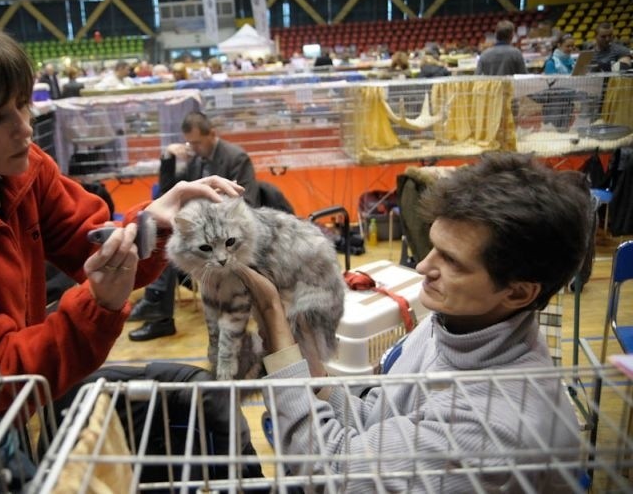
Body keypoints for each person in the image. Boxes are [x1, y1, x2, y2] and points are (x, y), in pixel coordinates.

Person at [0, 19, 245, 411]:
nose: (25, 128)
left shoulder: (22, 168)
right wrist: (98, 303)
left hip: (8, 397)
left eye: (22, 104)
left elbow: (92, 241)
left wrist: (155, 224)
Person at [236, 152, 593, 491]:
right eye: (433, 245)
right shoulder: (457, 322)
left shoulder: (496, 423)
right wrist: (312, 372)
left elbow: (335, 477)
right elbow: (381, 417)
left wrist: (276, 334)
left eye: (452, 261)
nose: (423, 266)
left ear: (517, 293)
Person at [128, 111, 259, 341]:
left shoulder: (236, 157)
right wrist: (168, 158)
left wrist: (214, 210)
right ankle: (159, 311)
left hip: (227, 232)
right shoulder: (195, 159)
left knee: (177, 241)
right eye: (190, 142)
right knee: (170, 237)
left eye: (197, 142)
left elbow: (248, 204)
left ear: (213, 135)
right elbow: (167, 192)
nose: (193, 147)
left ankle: (158, 310)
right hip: (200, 230)